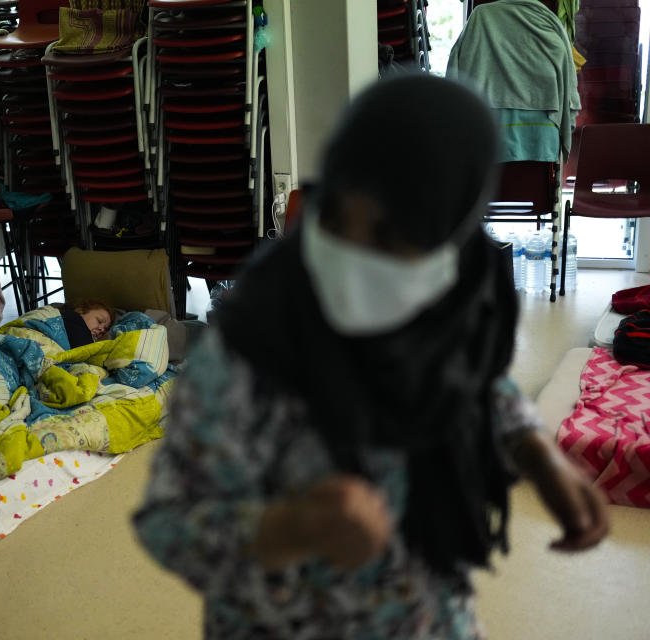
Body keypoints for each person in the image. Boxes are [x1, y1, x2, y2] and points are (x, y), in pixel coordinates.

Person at [132, 75, 608, 639]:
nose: (352, 253)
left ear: (448, 235)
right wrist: (291, 528)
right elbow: (168, 522)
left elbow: (476, 385)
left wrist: (535, 452)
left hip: (427, 614)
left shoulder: (449, 303)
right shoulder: (249, 347)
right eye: (335, 217)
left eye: (387, 235)